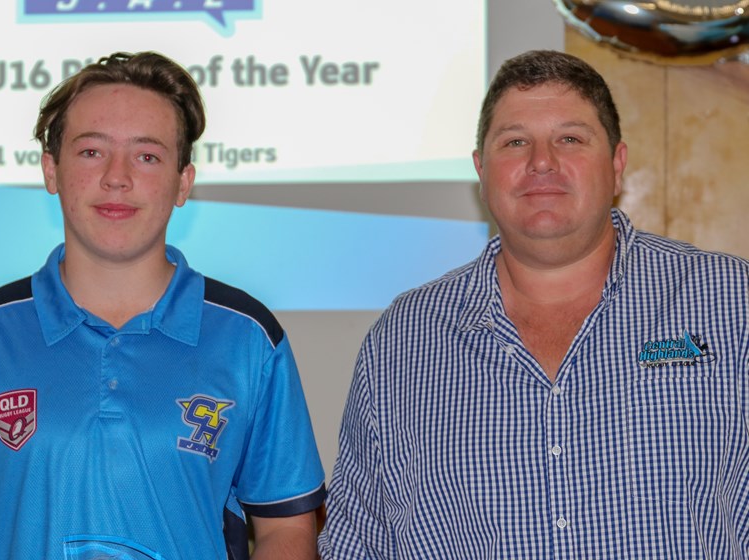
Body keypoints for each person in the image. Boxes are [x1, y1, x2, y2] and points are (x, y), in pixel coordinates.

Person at [318, 50, 749, 558]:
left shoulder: (731, 302)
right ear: (482, 170)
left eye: (570, 138)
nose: (541, 161)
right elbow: (358, 543)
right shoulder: (402, 341)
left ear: (616, 165)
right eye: (515, 141)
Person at [0, 51, 325, 559]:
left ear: (183, 182)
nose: (116, 178)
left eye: (147, 156)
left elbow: (287, 530)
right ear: (51, 170)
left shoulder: (249, 339)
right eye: (91, 152)